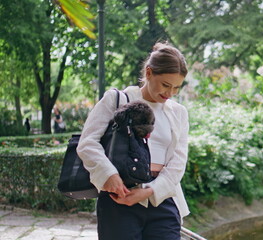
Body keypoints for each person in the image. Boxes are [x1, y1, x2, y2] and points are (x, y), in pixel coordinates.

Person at [76, 42, 190, 240]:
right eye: (165, 85)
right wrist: (109, 174)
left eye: (176, 87)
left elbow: (178, 162)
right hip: (118, 198)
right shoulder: (117, 99)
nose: (170, 93)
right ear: (149, 73)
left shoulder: (178, 113)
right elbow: (88, 142)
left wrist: (148, 191)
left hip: (161, 199)